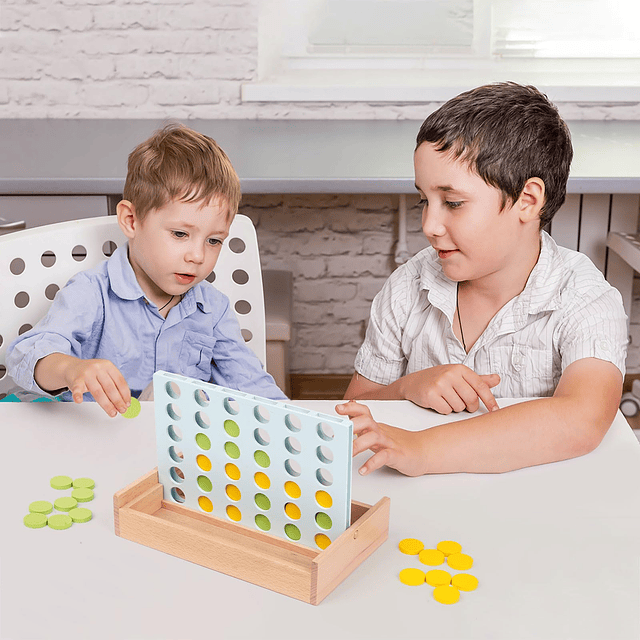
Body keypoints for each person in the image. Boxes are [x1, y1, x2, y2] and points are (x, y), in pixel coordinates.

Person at [338, 82, 627, 476]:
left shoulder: (586, 300)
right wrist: (408, 387)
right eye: (425, 200)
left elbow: (582, 419)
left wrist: (421, 448)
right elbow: (355, 408)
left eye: (453, 203)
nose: (430, 225)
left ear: (528, 200)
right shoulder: (410, 285)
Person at [7, 123, 286, 417]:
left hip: (170, 453)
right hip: (91, 443)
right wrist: (71, 369)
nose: (197, 255)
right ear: (131, 220)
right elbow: (29, 356)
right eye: (180, 234)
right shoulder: (92, 293)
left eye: (214, 240)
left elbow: (253, 387)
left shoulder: (213, 310)